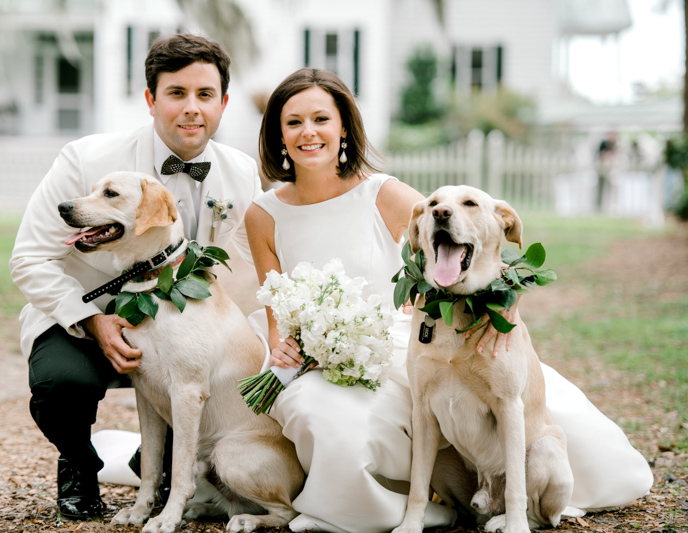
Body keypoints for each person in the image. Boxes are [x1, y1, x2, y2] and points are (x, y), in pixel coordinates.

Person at [245, 67, 653, 533]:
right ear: (277, 132)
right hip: (314, 360)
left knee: (545, 416)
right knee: (326, 416)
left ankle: (520, 498)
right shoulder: (263, 214)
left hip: (406, 343)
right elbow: (276, 307)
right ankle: (395, 509)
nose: (308, 132)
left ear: (343, 129)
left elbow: (470, 240)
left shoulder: (383, 193)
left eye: (321, 118)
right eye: (293, 121)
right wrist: (284, 347)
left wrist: (507, 300)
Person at [9, 34, 262, 520]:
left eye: (205, 95)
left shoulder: (241, 172)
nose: (192, 109)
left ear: (224, 103)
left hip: (180, 328)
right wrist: (92, 321)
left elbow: (240, 268)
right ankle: (80, 465)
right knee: (62, 382)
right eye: (176, 93)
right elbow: (28, 259)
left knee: (203, 379)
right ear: (150, 99)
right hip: (87, 317)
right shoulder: (86, 159)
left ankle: (170, 469)